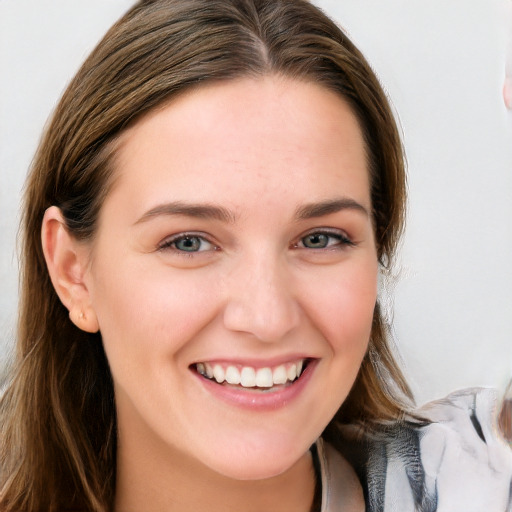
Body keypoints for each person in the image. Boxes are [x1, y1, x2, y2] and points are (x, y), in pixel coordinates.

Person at [0, 1, 510, 511]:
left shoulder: (477, 483)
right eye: (189, 242)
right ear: (72, 272)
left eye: (320, 238)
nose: (267, 318)